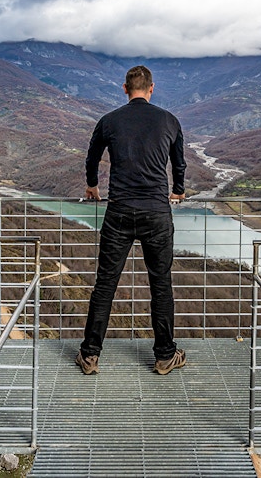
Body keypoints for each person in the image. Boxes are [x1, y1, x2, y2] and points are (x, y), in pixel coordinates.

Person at [75, 65, 187, 376]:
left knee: (105, 285)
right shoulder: (169, 120)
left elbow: (92, 156)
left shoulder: (109, 121)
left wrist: (92, 184)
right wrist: (177, 190)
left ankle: (89, 355)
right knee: (161, 285)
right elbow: (179, 164)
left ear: (125, 89)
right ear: (152, 89)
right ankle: (165, 355)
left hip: (119, 211)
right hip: (156, 213)